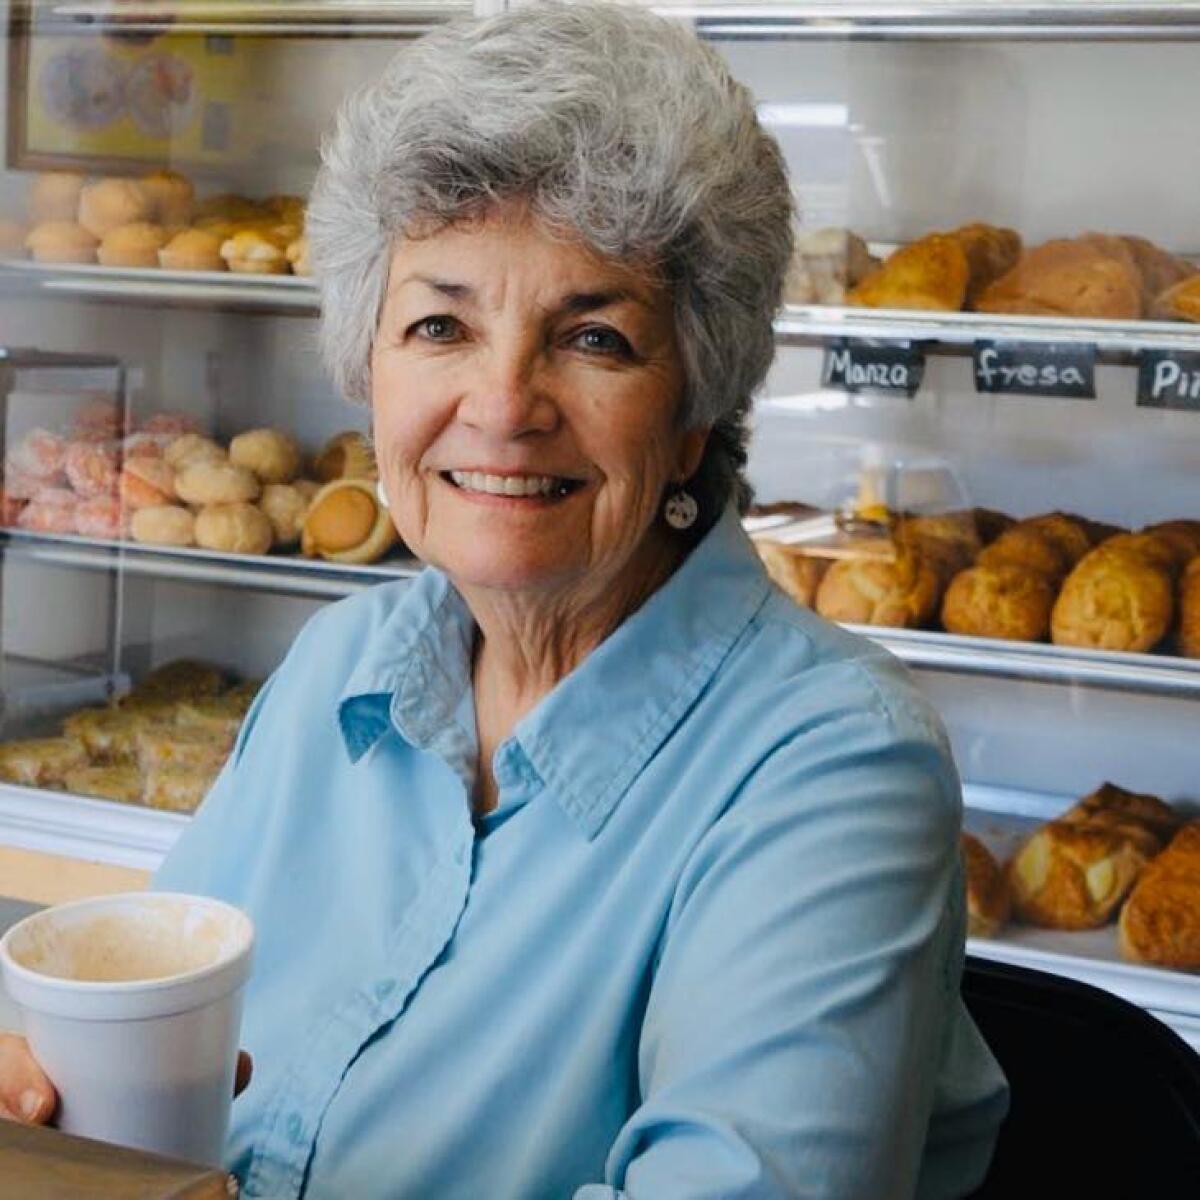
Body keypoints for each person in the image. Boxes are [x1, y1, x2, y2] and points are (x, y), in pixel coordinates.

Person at [0, 3, 1008, 1195]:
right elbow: (147, 1064)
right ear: (365, 366)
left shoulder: (833, 770)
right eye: (440, 323)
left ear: (695, 413)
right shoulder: (340, 668)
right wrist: (49, 1110)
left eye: (593, 338)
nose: (501, 404)